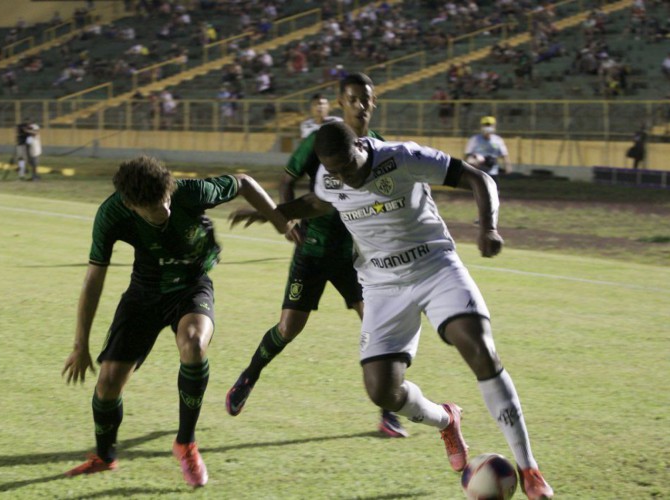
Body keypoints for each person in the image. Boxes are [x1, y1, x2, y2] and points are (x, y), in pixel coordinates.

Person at [229, 121, 554, 500]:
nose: (344, 179)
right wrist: (278, 212)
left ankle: (529, 468)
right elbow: (322, 201)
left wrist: (488, 228)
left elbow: (480, 179)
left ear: (361, 148)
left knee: (478, 347)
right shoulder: (333, 177)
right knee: (382, 390)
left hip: (434, 267)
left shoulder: (403, 157)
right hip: (381, 285)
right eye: (334, 172)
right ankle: (446, 420)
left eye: (349, 167)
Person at [62, 156, 291, 487]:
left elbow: (243, 181)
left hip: (191, 286)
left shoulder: (191, 192)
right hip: (144, 294)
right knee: (109, 383)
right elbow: (93, 279)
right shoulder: (112, 214)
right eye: (154, 208)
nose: (165, 210)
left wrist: (281, 223)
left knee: (194, 343)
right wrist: (80, 345)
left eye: (165, 199)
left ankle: (186, 442)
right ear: (131, 205)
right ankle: (104, 457)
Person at [225, 73, 408, 438]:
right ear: (341, 102)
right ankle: (249, 376)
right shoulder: (320, 141)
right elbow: (290, 178)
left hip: (353, 257)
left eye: (366, 99)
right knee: (288, 329)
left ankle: (388, 411)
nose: (360, 105)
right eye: (353, 99)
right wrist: (283, 216)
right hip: (312, 251)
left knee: (377, 326)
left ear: (374, 102)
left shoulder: (381, 148)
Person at [464, 116, 510, 186]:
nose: (488, 127)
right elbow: (467, 155)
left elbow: (504, 154)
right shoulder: (474, 139)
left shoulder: (498, 140)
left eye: (490, 125)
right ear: (481, 126)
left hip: (493, 172)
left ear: (494, 126)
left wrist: (507, 166)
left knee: (494, 192)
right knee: (479, 192)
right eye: (485, 125)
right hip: (478, 172)